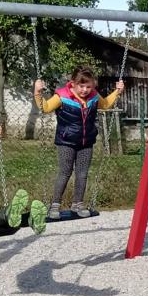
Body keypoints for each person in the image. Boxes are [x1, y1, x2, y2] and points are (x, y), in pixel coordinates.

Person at [34, 68, 124, 219]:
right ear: (73, 84)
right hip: (66, 141)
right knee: (65, 172)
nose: (85, 90)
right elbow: (46, 107)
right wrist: (37, 92)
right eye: (81, 86)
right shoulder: (62, 96)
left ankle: (77, 204)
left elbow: (105, 105)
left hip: (86, 142)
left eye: (88, 86)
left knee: (82, 174)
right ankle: (54, 205)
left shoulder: (94, 96)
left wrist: (117, 91)